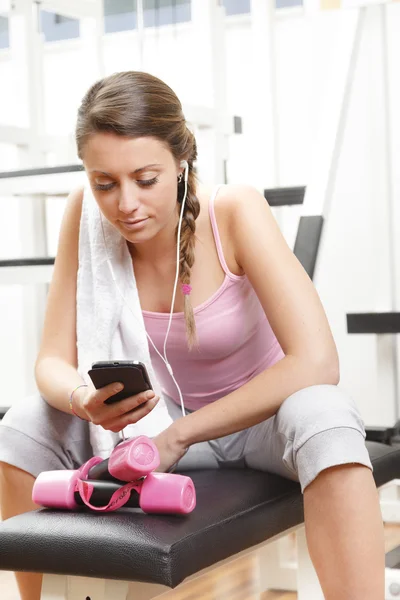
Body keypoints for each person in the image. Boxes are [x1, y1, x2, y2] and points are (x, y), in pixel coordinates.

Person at [0, 71, 384, 600]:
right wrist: (84, 400)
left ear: (181, 162)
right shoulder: (84, 216)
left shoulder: (235, 210)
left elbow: (317, 361)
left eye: (146, 178)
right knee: (22, 424)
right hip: (149, 424)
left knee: (325, 411)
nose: (125, 204)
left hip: (257, 425)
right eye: (104, 183)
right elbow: (50, 360)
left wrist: (178, 437)